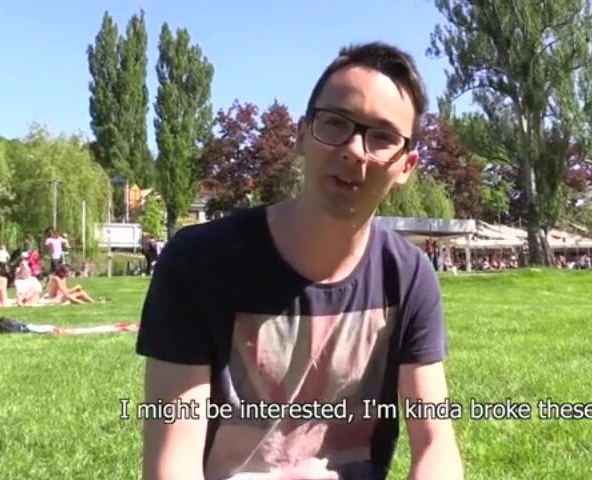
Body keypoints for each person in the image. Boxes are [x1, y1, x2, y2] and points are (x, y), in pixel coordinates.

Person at [137, 42, 463, 480]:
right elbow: (172, 462)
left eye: (382, 137)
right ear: (302, 135)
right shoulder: (197, 263)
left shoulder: (407, 276)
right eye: (336, 123)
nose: (354, 150)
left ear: (406, 166)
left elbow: (437, 444)